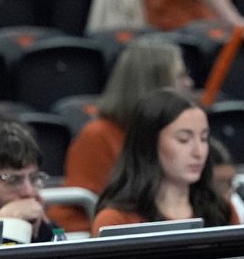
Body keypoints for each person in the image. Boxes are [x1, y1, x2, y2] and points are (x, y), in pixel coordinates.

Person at [52, 37, 190, 232]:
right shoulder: (98, 136)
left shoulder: (172, 135)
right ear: (156, 83)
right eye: (180, 76)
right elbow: (85, 209)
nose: (189, 83)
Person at [93, 89, 235, 234]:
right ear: (149, 144)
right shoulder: (115, 221)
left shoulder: (222, 211)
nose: (199, 152)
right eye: (183, 140)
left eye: (204, 139)